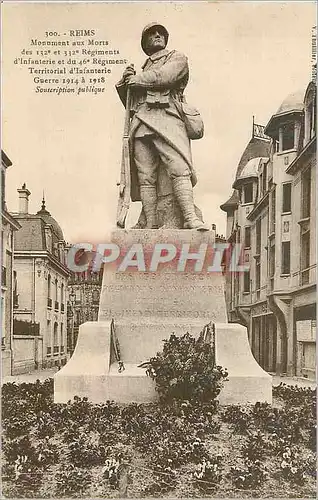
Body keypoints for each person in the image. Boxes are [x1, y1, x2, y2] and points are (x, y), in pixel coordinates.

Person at [116, 22, 208, 230]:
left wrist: (136, 80)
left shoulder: (176, 57)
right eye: (151, 34)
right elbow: (129, 102)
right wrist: (124, 82)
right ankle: (151, 222)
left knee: (179, 167)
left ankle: (189, 217)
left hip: (168, 117)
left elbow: (165, 77)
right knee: (146, 176)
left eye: (160, 33)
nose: (157, 35)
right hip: (141, 123)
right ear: (145, 42)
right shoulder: (141, 71)